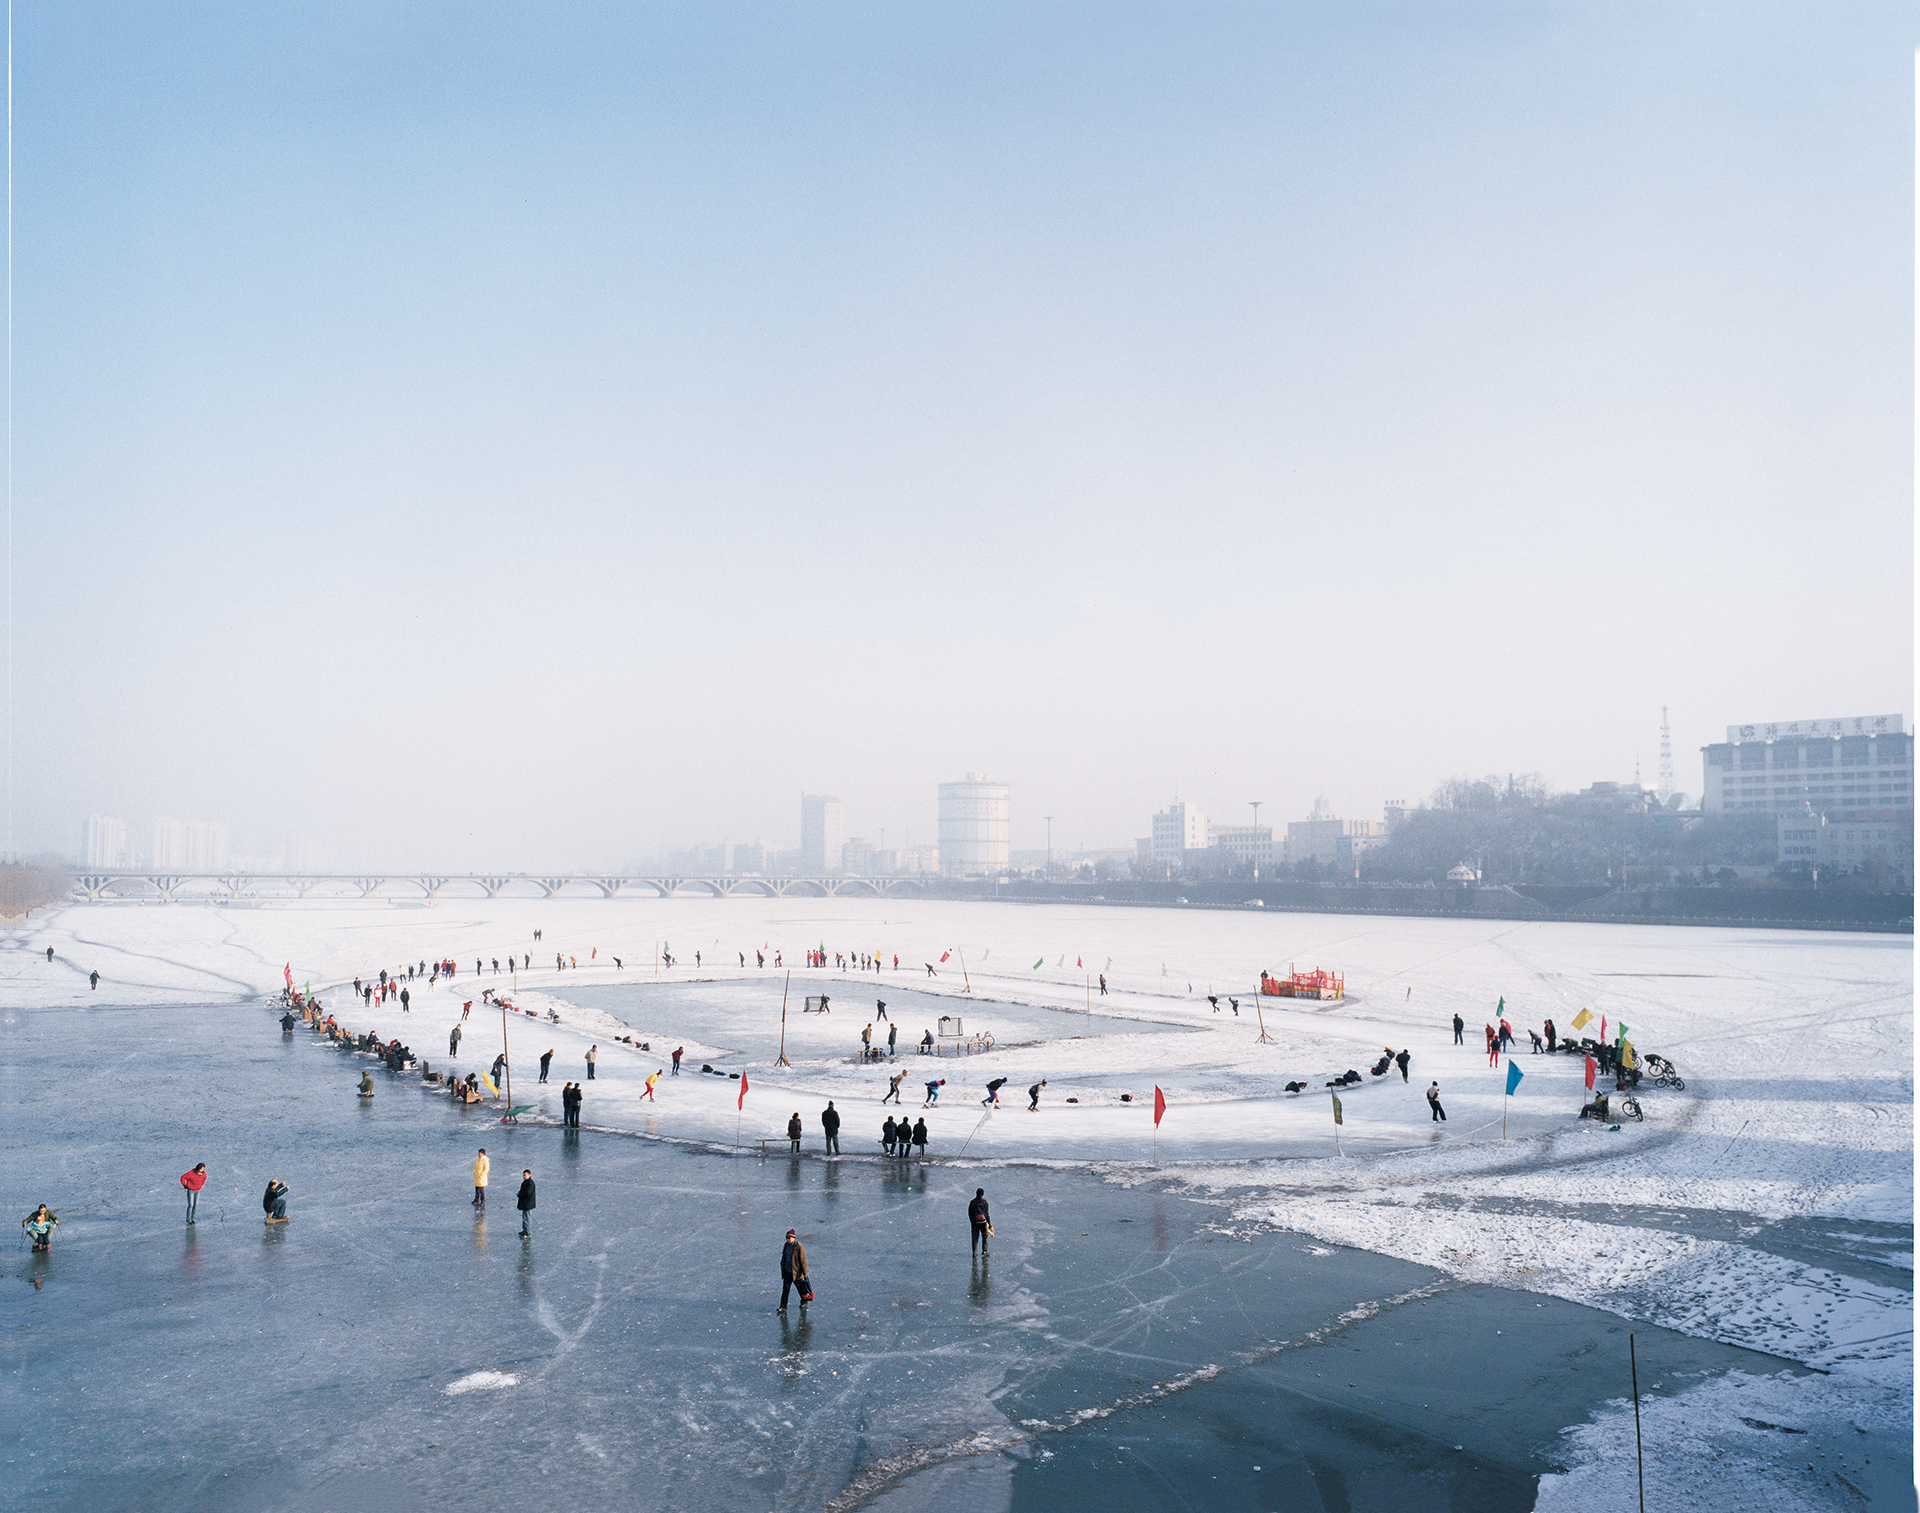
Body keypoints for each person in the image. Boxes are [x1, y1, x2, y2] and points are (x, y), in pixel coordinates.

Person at [778, 1229, 810, 1311]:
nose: (788, 1239)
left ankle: (804, 1301)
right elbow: (784, 1257)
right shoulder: (786, 1246)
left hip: (796, 1273)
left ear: (793, 1238)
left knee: (801, 1289)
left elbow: (803, 1260)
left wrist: (805, 1273)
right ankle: (783, 1307)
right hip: (787, 1272)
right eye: (787, 1238)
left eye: (789, 1238)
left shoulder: (799, 1247)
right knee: (785, 1290)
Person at [968, 1189, 991, 1255]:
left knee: (975, 1239)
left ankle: (974, 1253)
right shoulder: (985, 1202)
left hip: (975, 1223)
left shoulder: (972, 1202)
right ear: (982, 1194)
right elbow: (986, 1214)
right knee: (985, 1237)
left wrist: (972, 1223)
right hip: (983, 1223)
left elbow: (970, 1213)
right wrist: (989, 1224)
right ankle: (984, 1251)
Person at [516, 1170, 536, 1238]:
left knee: (527, 1218)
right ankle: (524, 1231)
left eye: (525, 1175)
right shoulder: (526, 1182)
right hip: (525, 1203)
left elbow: (527, 1193)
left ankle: (528, 1233)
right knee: (524, 1218)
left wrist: (520, 1194)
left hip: (528, 1204)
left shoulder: (530, 1183)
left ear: (529, 1175)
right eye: (523, 1175)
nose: (524, 1176)